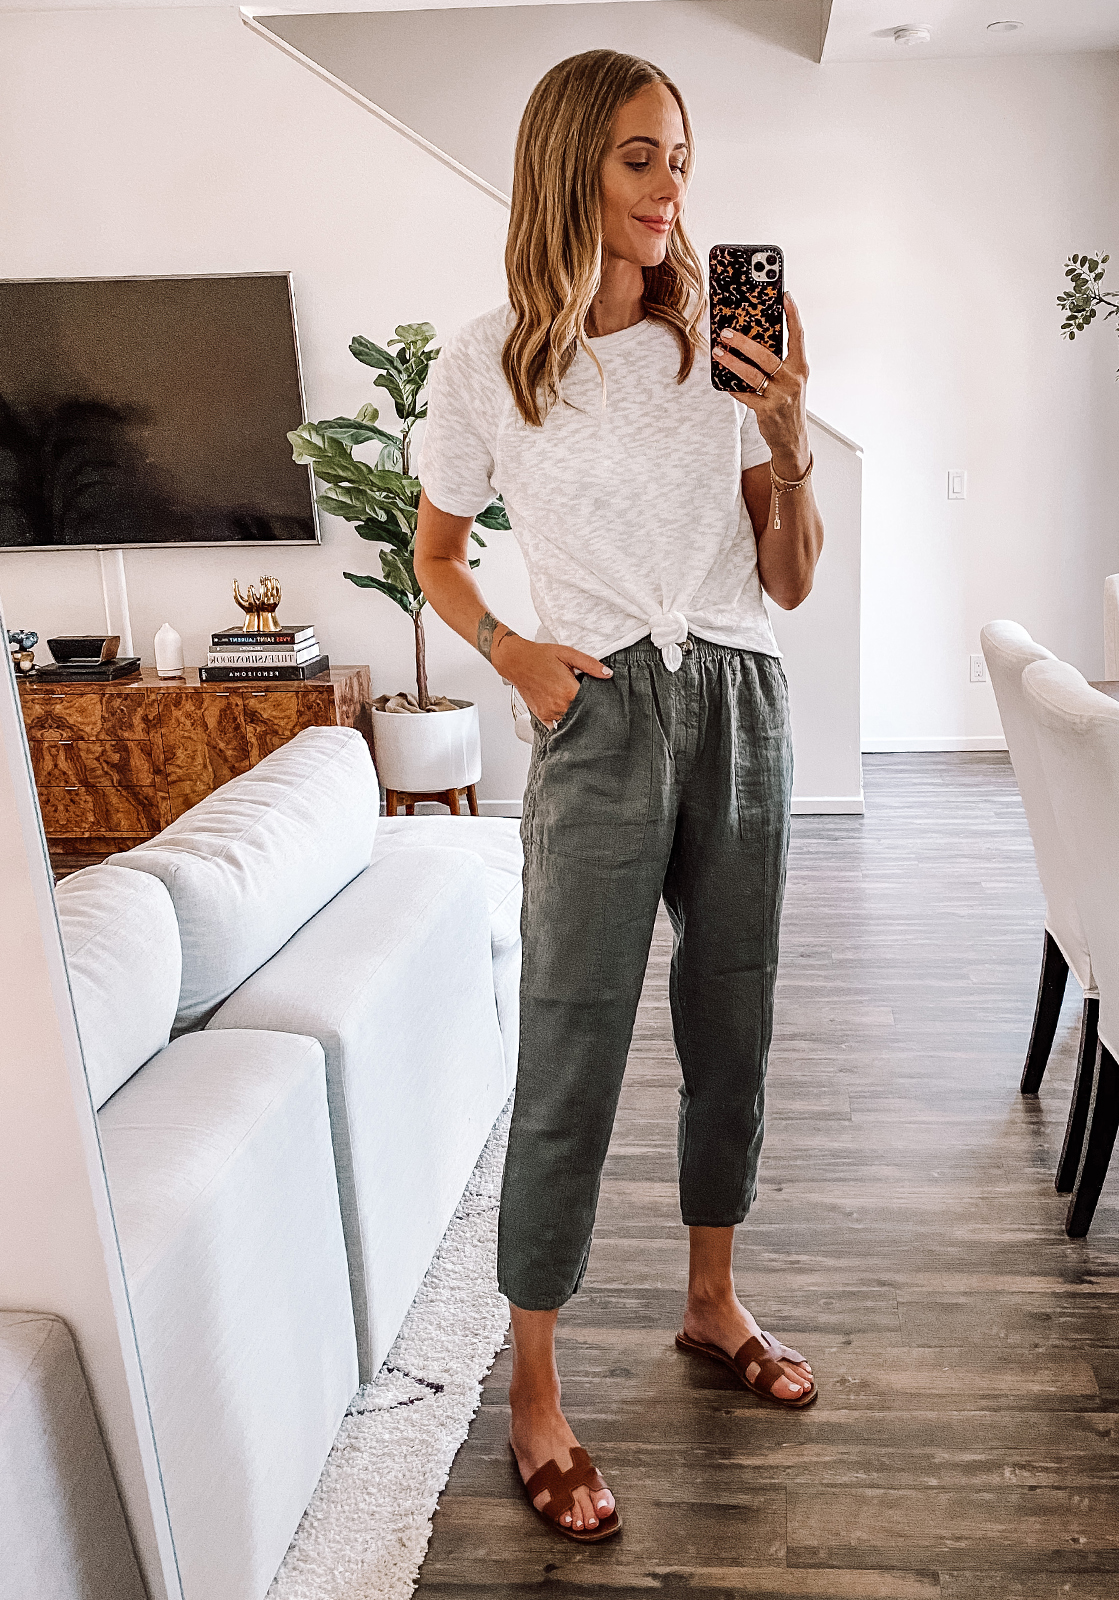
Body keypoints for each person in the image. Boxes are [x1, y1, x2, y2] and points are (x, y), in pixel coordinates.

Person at [414, 47, 823, 1544]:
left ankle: (713, 1303)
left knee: (735, 1017)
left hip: (737, 694)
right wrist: (512, 654)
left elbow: (783, 576)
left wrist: (785, 439)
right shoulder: (491, 363)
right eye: (642, 157)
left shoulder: (729, 330)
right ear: (573, 163)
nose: (671, 190)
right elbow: (438, 553)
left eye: (682, 160)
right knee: (572, 1043)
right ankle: (533, 1388)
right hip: (592, 711)